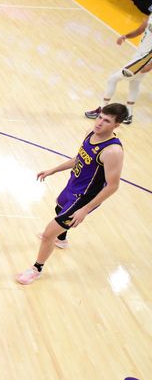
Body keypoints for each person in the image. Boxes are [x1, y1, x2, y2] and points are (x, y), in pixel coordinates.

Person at [16, 103, 126, 285]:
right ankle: (62, 240)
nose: (99, 123)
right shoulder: (91, 133)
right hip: (73, 186)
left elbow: (112, 186)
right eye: (99, 117)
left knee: (47, 235)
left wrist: (85, 210)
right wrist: (53, 170)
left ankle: (36, 269)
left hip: (84, 198)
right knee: (58, 207)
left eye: (106, 121)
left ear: (117, 125)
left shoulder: (113, 151)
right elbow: (79, 158)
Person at [84, 15, 151, 125]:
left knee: (113, 79)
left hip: (144, 59)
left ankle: (102, 109)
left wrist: (150, 65)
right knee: (135, 83)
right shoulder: (151, 15)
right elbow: (141, 29)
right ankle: (129, 114)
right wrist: (126, 36)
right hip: (139, 55)